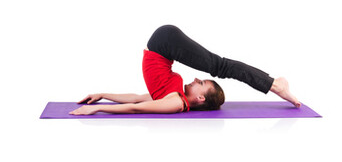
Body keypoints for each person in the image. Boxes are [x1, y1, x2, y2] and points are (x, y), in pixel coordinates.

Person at [70, 25, 301, 115]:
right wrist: (102, 100)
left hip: (164, 43)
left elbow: (136, 104)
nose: (196, 78)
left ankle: (275, 84)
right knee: (218, 65)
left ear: (200, 97)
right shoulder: (176, 95)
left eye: (201, 83)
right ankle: (274, 84)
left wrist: (100, 102)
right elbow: (139, 103)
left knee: (219, 66)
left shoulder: (176, 102)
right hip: (165, 42)